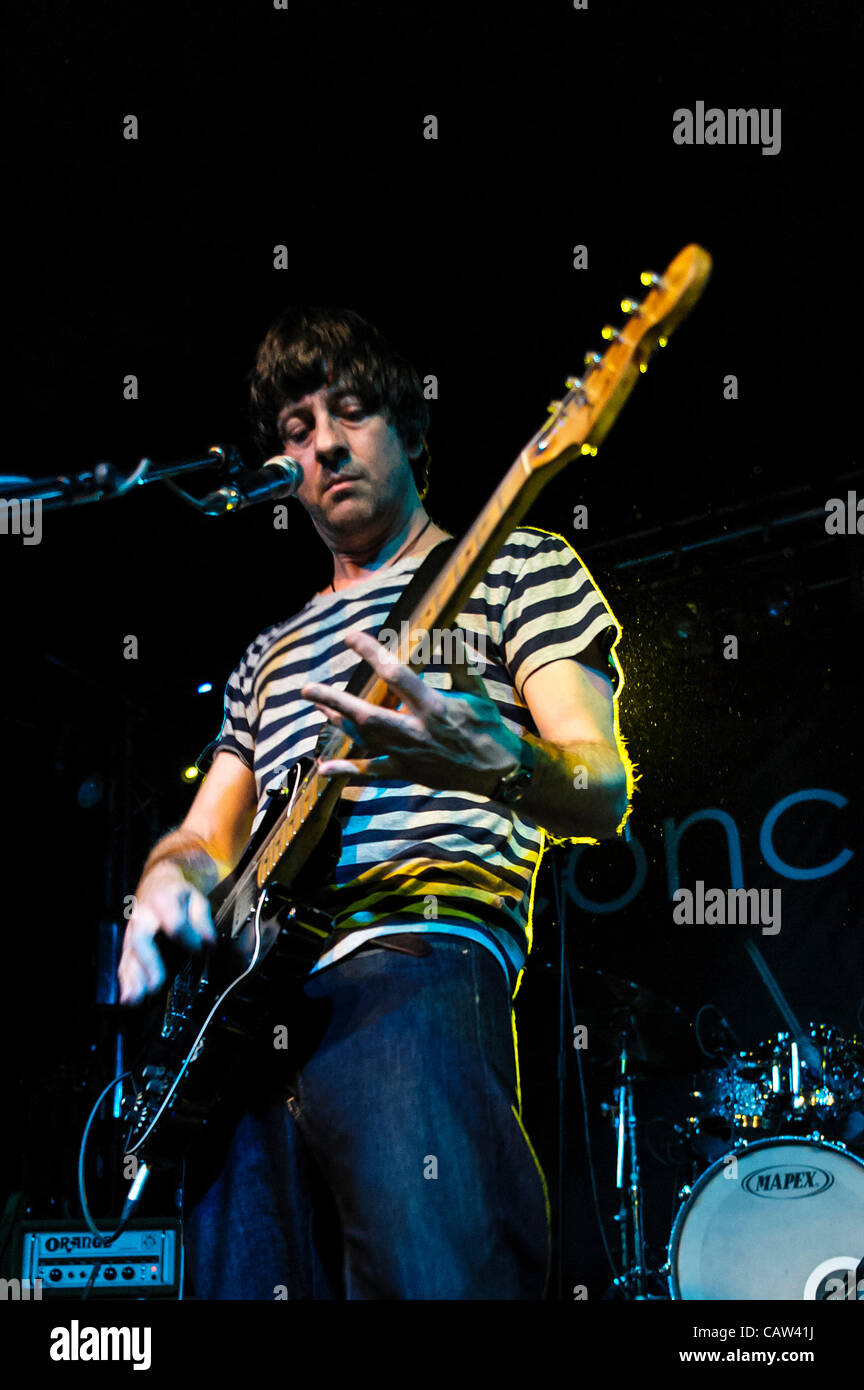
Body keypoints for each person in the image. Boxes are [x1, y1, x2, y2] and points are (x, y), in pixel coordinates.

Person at [118, 306, 631, 1299]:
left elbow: (601, 789)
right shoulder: (267, 657)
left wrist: (502, 764)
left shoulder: (521, 566)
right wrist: (163, 882)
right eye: (297, 429)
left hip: (415, 970)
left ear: (408, 427)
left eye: (350, 411)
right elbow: (201, 834)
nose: (322, 443)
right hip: (241, 1041)